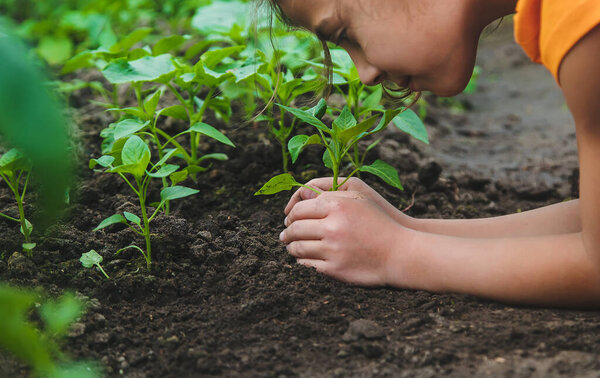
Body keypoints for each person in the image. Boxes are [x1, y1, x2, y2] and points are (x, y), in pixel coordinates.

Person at [268, 0, 600, 308]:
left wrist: (395, 253)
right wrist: (404, 229)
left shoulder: (583, 24)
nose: (365, 75)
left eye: (345, 33)